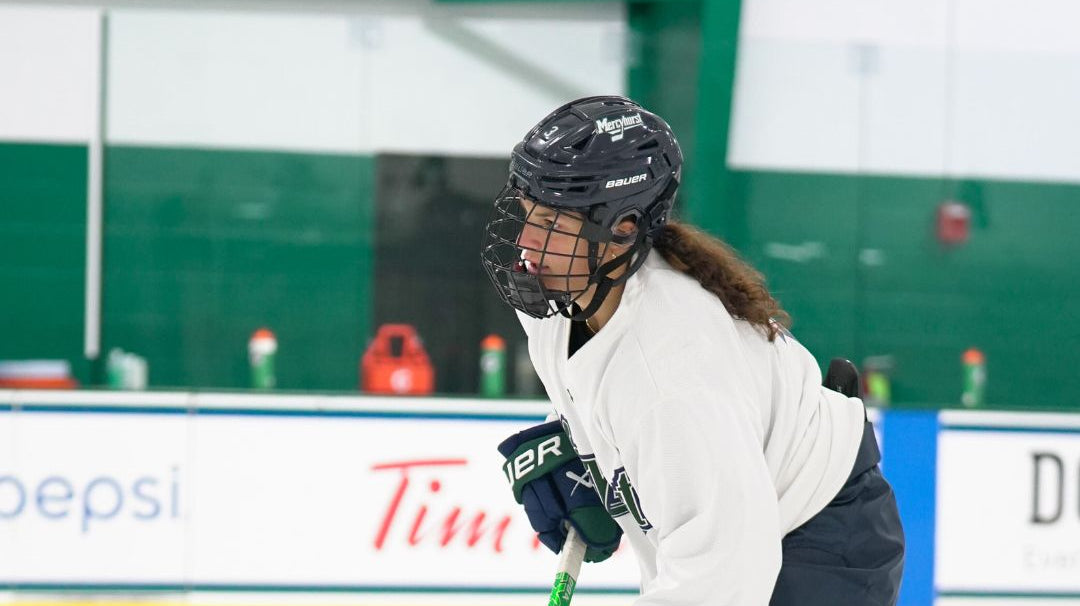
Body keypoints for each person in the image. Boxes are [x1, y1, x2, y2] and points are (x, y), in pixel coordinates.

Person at [481, 95, 904, 605]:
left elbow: (724, 574)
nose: (526, 243)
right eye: (527, 213)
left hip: (822, 543)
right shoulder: (559, 292)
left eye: (551, 225)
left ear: (623, 229)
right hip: (747, 516)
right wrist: (591, 452)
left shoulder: (669, 369)